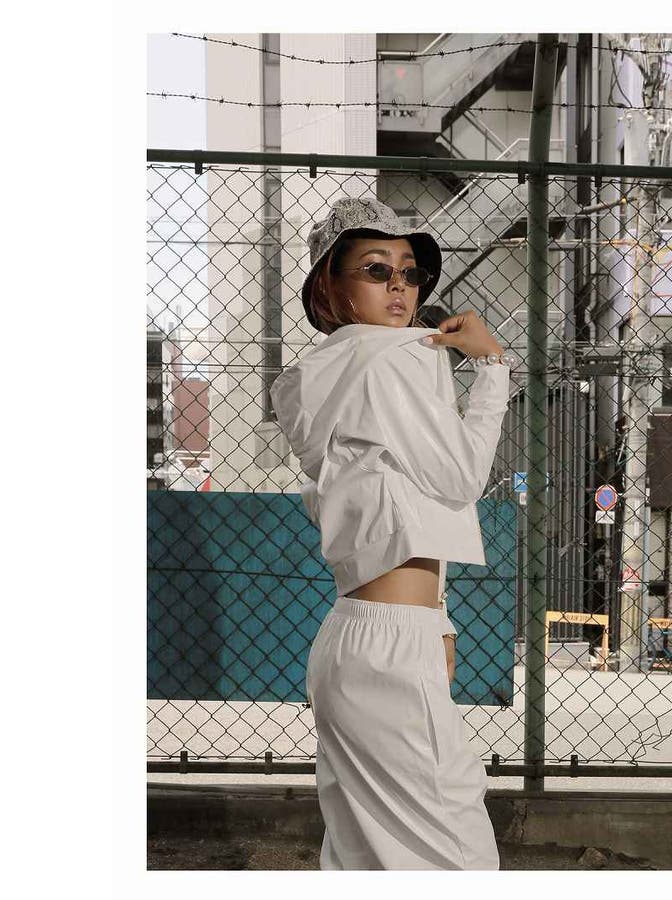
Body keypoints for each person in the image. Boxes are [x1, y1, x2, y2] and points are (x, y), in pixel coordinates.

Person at [269, 196, 515, 870]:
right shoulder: (395, 357)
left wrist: (439, 618)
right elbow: (459, 477)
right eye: (376, 270)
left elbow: (395, 505)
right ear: (329, 285)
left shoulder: (317, 376)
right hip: (391, 645)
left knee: (364, 858)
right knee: (461, 859)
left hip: (356, 637)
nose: (400, 287)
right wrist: (493, 367)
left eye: (410, 272)